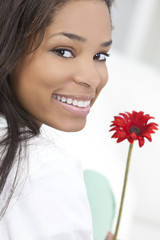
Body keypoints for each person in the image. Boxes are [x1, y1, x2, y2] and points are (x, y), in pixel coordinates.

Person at [0, 0, 114, 239]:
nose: (92, 78)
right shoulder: (46, 170)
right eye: (63, 51)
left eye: (100, 56)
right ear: (7, 45)